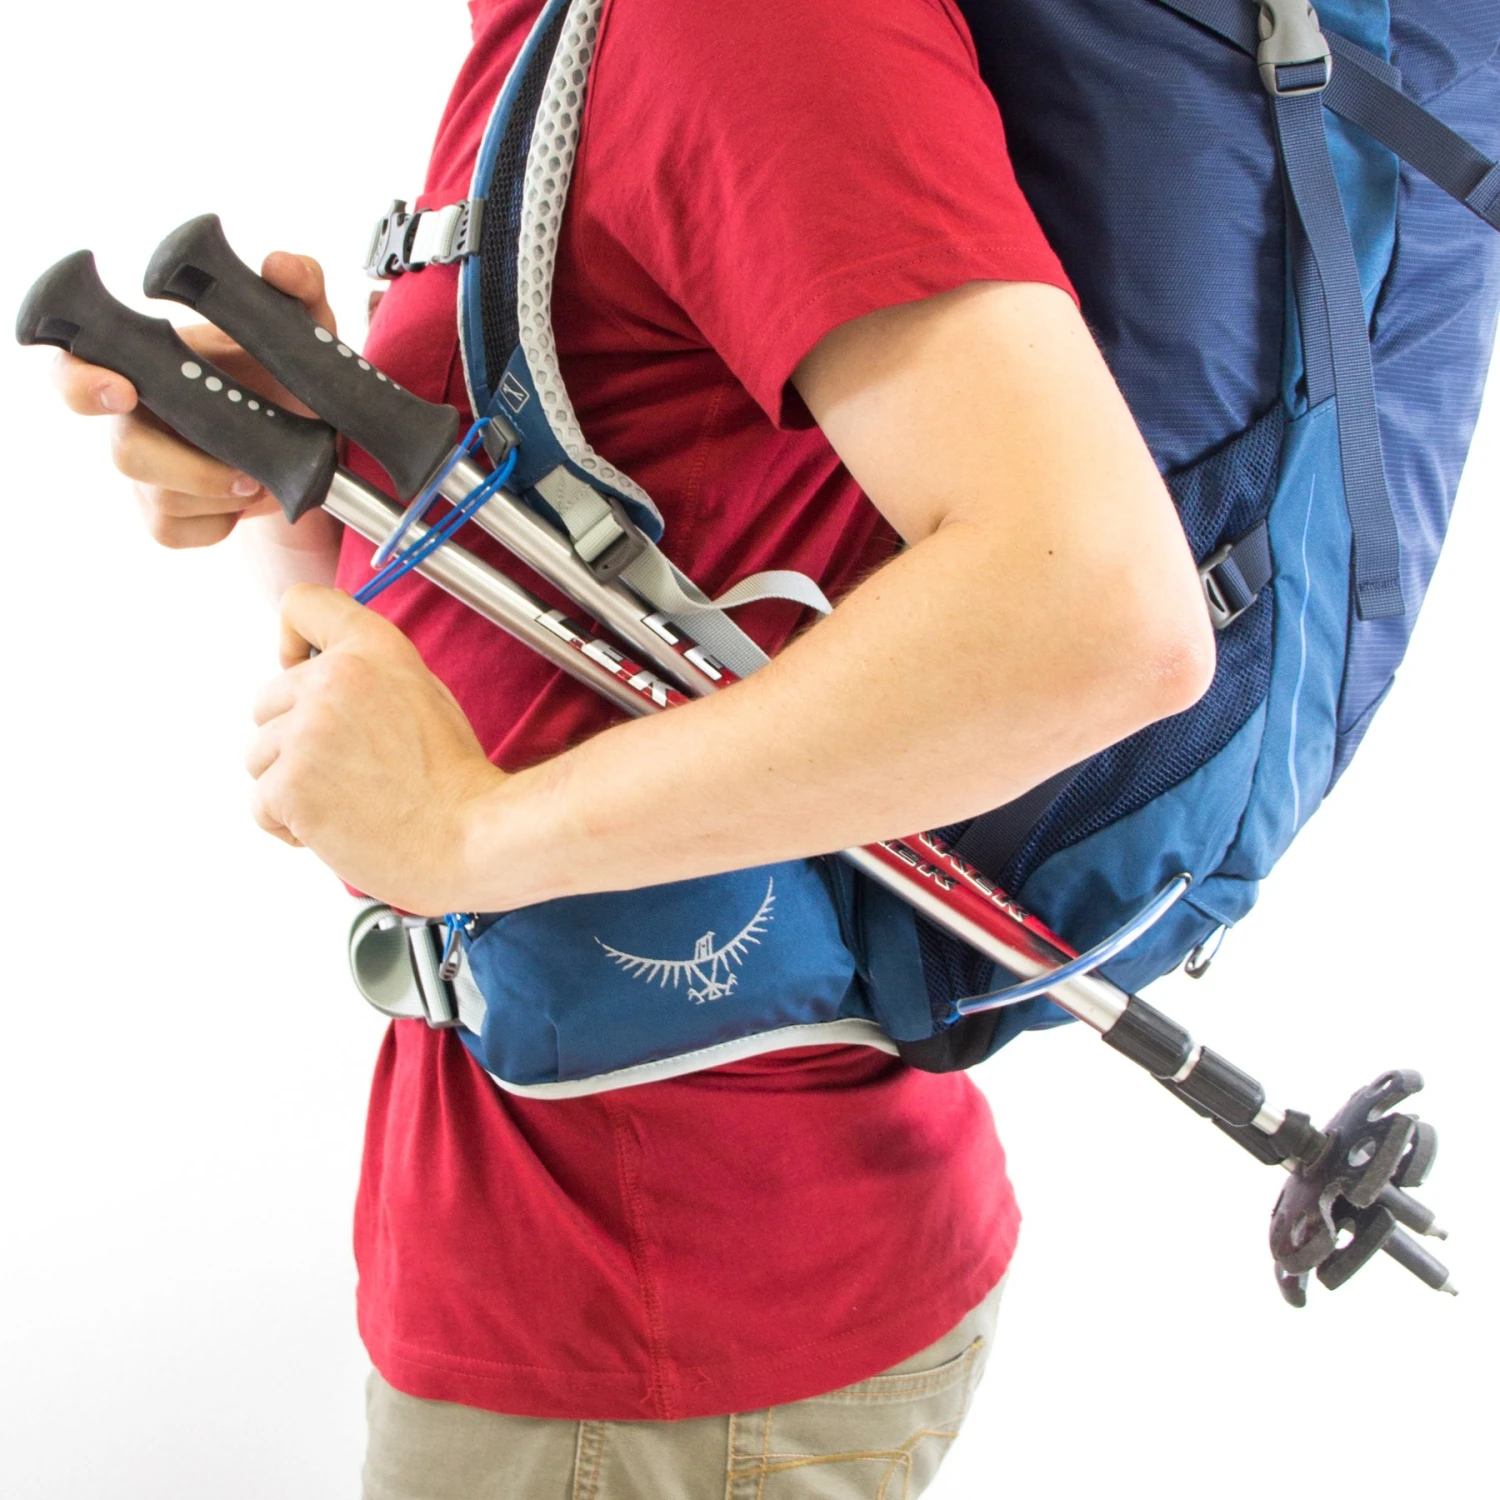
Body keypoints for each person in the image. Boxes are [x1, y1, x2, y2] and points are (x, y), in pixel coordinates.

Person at [50, 1, 1213, 1493]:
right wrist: (303, 486)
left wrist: (467, 838)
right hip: (543, 1250)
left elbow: (1097, 614)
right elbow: (516, 618)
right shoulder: (548, 36)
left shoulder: (732, 20)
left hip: (673, 1306)